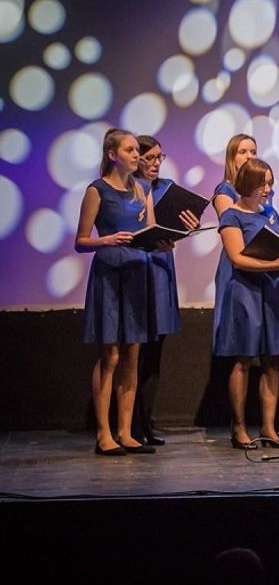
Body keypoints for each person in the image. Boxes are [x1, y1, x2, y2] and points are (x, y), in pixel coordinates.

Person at [75, 128, 160, 456]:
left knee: (132, 355)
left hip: (138, 272)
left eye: (137, 150)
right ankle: (104, 433)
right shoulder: (97, 191)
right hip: (110, 274)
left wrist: (161, 240)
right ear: (113, 155)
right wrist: (107, 240)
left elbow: (149, 231)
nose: (137, 155)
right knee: (110, 355)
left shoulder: (142, 188)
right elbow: (81, 241)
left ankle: (126, 431)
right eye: (130, 150)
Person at [213, 158, 279, 449]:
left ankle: (268, 427)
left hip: (272, 290)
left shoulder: (270, 213)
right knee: (242, 360)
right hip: (245, 292)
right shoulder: (232, 215)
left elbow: (270, 242)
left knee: (272, 360)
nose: (267, 189)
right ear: (248, 184)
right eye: (262, 183)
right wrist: (271, 263)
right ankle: (239, 428)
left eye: (269, 182)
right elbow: (238, 257)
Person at [132, 135, 200, 446]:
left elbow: (178, 226)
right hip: (138, 269)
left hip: (161, 269)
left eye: (160, 157)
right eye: (150, 157)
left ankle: (145, 420)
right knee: (136, 352)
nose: (157, 163)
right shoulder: (128, 190)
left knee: (155, 351)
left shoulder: (166, 188)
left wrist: (188, 224)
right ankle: (128, 422)